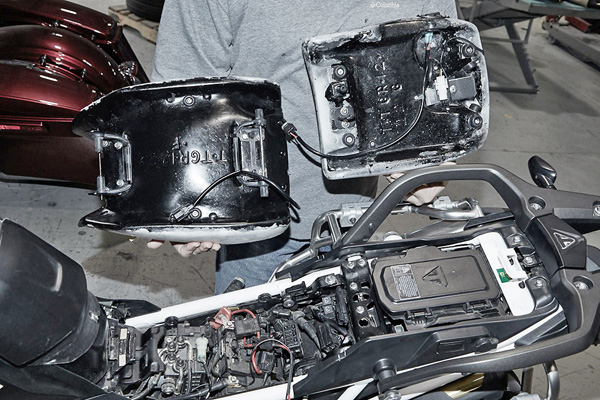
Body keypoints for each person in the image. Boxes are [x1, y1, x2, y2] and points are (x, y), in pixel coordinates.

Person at [148, 0, 456, 293]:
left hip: (356, 215)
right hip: (257, 221)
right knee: (249, 337)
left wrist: (430, 155)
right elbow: (179, 99)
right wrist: (184, 200)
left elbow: (443, 84)